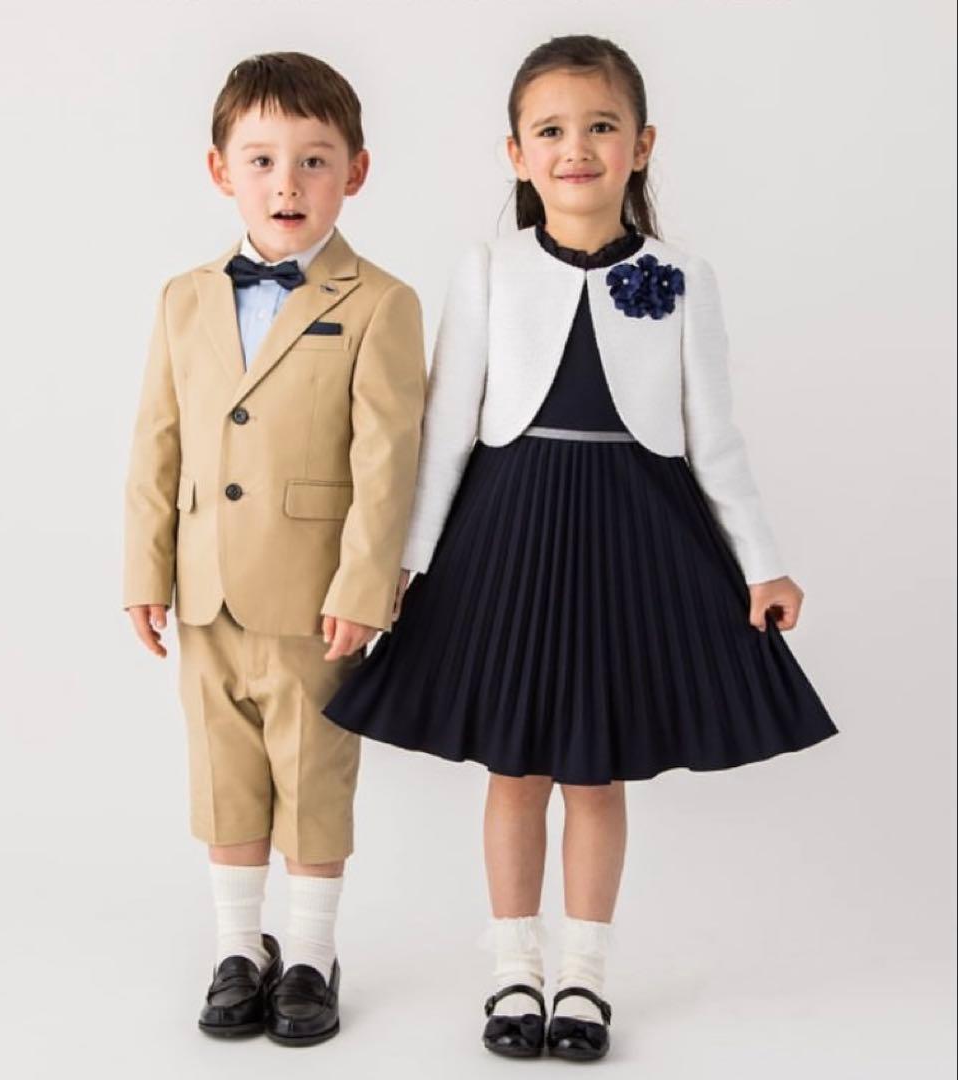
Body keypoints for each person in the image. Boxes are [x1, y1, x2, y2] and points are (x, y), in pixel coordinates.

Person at [323, 34, 838, 1063]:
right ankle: (515, 969)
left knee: (596, 775)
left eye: (601, 127)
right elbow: (445, 429)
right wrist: (402, 562)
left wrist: (760, 560)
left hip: (632, 532)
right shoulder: (487, 269)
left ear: (641, 145)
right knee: (515, 768)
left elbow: (713, 435)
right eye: (551, 130)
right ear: (515, 154)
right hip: (506, 533)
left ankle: (586, 979)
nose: (576, 148)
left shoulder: (682, 276)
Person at [122, 52, 426, 1047]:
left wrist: (365, 584)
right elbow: (157, 441)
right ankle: (235, 948)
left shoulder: (379, 302)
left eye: (313, 160)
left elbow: (388, 458)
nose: (286, 183)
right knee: (223, 773)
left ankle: (309, 952)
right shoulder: (183, 297)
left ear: (356, 172)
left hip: (314, 596)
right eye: (260, 160)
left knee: (313, 771)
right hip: (204, 585)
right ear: (221, 170)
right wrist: (144, 569)